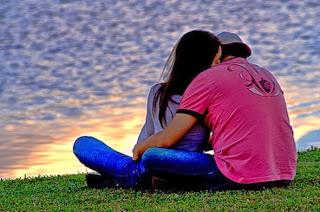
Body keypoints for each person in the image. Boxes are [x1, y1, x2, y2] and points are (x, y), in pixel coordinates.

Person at [133, 32, 297, 191]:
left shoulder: (209, 77)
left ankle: (166, 180)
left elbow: (167, 138)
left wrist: (140, 148)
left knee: (153, 155)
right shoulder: (266, 75)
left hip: (239, 177)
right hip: (284, 174)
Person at [73, 30, 222, 189]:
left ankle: (128, 178)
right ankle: (140, 176)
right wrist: (140, 153)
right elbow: (147, 134)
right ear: (200, 62)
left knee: (153, 156)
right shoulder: (158, 93)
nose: (221, 66)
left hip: (183, 162)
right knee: (83, 143)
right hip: (154, 160)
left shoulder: (210, 95)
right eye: (217, 61)